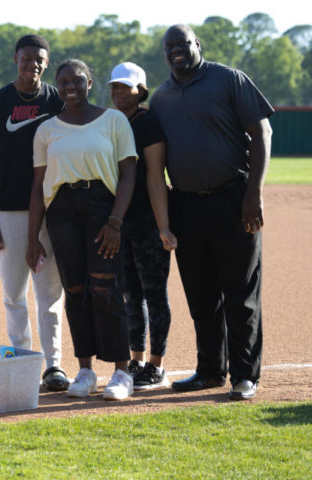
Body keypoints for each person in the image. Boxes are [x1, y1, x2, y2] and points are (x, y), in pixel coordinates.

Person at [151, 25, 273, 401]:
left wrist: (253, 194)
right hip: (186, 203)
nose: (176, 51)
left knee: (240, 293)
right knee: (201, 296)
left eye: (182, 43)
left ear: (196, 45)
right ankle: (209, 370)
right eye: (169, 46)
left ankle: (244, 376)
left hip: (233, 199)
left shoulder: (227, 79)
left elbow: (262, 132)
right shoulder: (162, 97)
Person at [26, 59, 137, 401]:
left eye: (77, 80)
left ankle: (121, 372)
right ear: (57, 86)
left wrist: (115, 222)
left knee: (106, 286)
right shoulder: (46, 130)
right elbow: (38, 186)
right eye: (63, 82)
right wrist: (32, 237)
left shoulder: (113, 120)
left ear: (90, 83)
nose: (70, 86)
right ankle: (85, 370)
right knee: (75, 290)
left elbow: (129, 173)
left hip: (102, 207)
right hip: (62, 211)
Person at [0, 34, 69, 392]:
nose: (33, 63)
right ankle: (23, 359)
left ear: (46, 63)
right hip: (9, 211)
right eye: (27, 57)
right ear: (16, 58)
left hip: (51, 210)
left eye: (39, 59)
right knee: (14, 293)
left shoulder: (57, 99)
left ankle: (54, 366)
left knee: (50, 293)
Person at [107, 62, 178, 391]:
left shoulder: (147, 123)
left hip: (147, 222)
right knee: (130, 295)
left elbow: (154, 178)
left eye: (125, 87)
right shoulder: (112, 122)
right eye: (115, 87)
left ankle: (157, 366)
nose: (119, 92)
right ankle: (136, 361)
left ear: (141, 90)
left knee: (154, 293)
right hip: (121, 224)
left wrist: (164, 227)